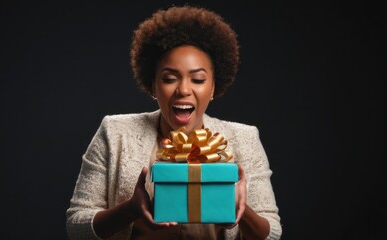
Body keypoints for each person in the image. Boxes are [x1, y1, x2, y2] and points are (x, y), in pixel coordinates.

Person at [66, 5, 282, 240]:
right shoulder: (114, 133)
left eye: (198, 79)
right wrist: (129, 210)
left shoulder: (245, 139)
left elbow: (273, 233)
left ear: (213, 88)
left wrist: (241, 211)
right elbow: (76, 227)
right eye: (169, 78)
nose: (183, 90)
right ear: (152, 86)